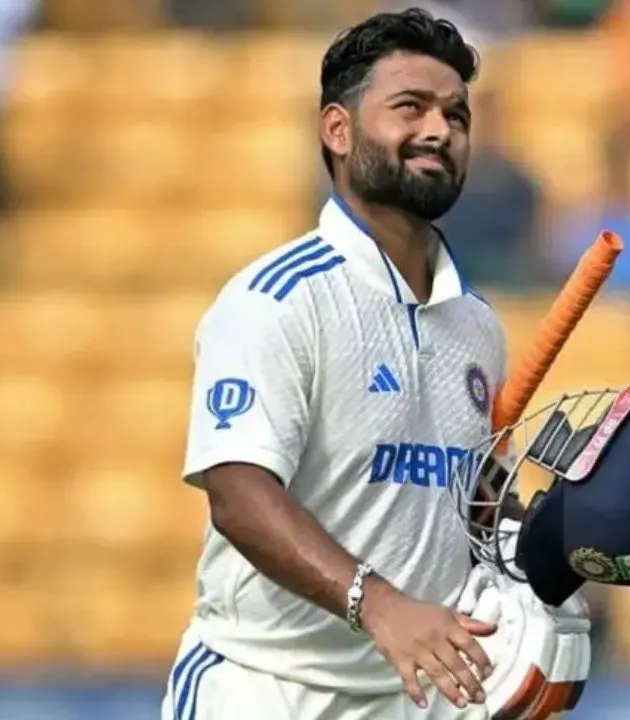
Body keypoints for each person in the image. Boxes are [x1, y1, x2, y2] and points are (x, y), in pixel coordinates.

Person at [164, 9, 517, 719]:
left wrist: (546, 555)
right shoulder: (276, 300)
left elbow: (476, 504)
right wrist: (379, 605)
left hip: (412, 693)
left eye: (456, 115)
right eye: (410, 107)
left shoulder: (477, 326)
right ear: (338, 129)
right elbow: (238, 494)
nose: (439, 129)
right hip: (264, 688)